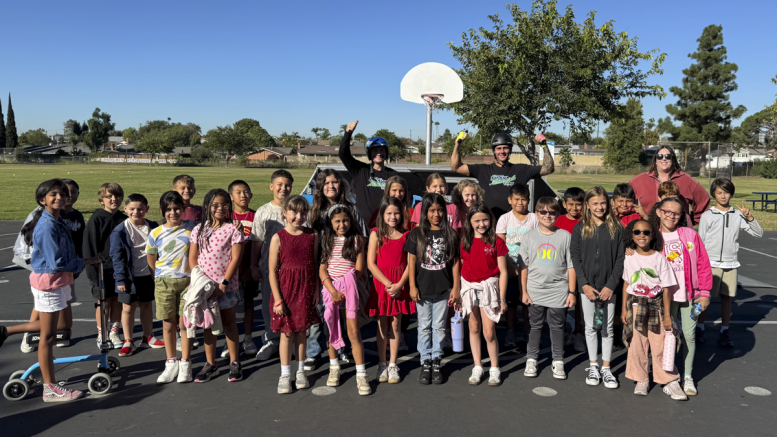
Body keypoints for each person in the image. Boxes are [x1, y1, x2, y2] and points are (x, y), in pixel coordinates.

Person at [0, 179, 101, 402]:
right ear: (42, 199)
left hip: (58, 281)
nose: (59, 198)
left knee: (60, 327)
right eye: (53, 194)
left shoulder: (56, 220)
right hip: (49, 282)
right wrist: (87, 261)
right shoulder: (47, 225)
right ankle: (50, 388)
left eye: (62, 194)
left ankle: (6, 331)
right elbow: (56, 262)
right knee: (48, 336)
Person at [645, 197, 712, 396]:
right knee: (667, 336)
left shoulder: (690, 235)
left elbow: (703, 264)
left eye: (676, 213)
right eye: (667, 211)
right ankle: (670, 375)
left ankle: (688, 375)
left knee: (689, 335)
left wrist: (705, 293)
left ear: (682, 215)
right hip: (664, 297)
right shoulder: (652, 236)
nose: (671, 216)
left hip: (689, 296)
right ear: (659, 211)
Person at [307, 168, 367, 369]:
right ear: (320, 186)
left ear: (341, 185)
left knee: (344, 313)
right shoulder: (314, 211)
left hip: (346, 269)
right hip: (321, 267)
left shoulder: (352, 209)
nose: (331, 186)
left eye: (334, 182)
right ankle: (314, 352)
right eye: (326, 183)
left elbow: (361, 237)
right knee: (321, 310)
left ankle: (342, 350)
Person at [620, 219, 686, 400]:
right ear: (631, 235)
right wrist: (624, 309)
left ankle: (670, 380)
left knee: (660, 344)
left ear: (652, 235)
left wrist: (667, 315)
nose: (641, 236)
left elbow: (666, 289)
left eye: (646, 232)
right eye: (637, 232)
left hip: (656, 307)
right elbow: (626, 283)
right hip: (636, 306)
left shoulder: (660, 259)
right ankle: (641, 378)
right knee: (637, 344)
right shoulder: (629, 257)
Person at [697, 178, 763, 348]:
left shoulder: (738, 215)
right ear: (713, 194)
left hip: (730, 264)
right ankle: (699, 327)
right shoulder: (707, 216)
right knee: (705, 298)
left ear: (731, 193)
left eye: (726, 192)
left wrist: (750, 217)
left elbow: (758, 234)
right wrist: (700, 265)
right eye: (719, 192)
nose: (723, 196)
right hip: (711, 264)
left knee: (727, 299)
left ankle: (724, 330)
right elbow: (701, 241)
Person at [570, 186, 624, 389]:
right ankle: (593, 365)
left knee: (607, 328)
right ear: (588, 205)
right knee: (591, 327)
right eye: (595, 203)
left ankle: (606, 368)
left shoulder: (616, 228)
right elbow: (575, 258)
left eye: (603, 203)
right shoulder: (580, 228)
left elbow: (620, 259)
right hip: (588, 289)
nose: (599, 207)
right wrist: (583, 284)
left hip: (609, 288)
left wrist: (611, 285)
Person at [190, 189, 246, 383]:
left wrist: (224, 283)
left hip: (226, 287)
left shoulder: (233, 229)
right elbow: (193, 258)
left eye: (224, 205)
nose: (220, 208)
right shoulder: (199, 230)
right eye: (215, 205)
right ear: (207, 206)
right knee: (208, 325)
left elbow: (236, 258)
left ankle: (234, 362)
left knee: (229, 323)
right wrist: (200, 281)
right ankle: (210, 363)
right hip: (205, 288)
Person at [405, 194, 461, 385]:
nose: (436, 214)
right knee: (423, 326)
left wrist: (456, 287)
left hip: (443, 289)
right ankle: (425, 361)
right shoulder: (416, 234)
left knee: (439, 326)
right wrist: (412, 286)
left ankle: (436, 360)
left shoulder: (451, 234)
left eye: (439, 210)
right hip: (422, 289)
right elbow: (411, 261)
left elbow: (455, 263)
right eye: (432, 211)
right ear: (425, 212)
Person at [267, 195, 320, 394]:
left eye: (303, 213)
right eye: (294, 212)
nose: (299, 216)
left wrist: (316, 290)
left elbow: (315, 264)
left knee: (302, 332)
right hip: (285, 291)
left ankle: (300, 371)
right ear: (285, 213)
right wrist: (277, 299)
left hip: (305, 289)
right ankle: (284, 374)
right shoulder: (278, 238)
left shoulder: (312, 236)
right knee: (287, 333)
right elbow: (272, 271)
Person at [519, 197, 576, 380]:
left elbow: (571, 266)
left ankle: (558, 361)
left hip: (558, 291)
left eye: (552, 212)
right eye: (543, 211)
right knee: (535, 326)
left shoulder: (565, 236)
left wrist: (572, 292)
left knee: (557, 327)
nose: (547, 215)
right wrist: (523, 291)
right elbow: (523, 266)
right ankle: (531, 359)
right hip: (535, 290)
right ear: (536, 214)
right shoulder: (529, 236)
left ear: (557, 214)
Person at [147, 191, 198, 383]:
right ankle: (171, 362)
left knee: (185, 324)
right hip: (164, 282)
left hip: (188, 282)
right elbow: (151, 258)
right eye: (168, 209)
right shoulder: (155, 233)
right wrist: (159, 276)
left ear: (183, 209)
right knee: (168, 324)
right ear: (162, 211)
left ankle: (185, 362)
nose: (173, 212)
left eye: (177, 208)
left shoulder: (193, 228)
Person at [319, 204, 370, 395]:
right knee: (331, 329)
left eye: (345, 220)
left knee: (353, 331)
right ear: (331, 223)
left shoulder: (357, 240)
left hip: (350, 291)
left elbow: (359, 269)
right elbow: (322, 269)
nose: (342, 224)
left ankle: (361, 374)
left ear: (351, 221)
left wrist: (345, 285)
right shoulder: (327, 241)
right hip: (331, 291)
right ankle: (334, 367)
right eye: (338, 221)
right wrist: (333, 290)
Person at [366, 197, 415, 384]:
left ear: (402, 214)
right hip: (382, 285)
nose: (393, 217)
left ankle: (393, 364)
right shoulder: (376, 234)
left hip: (399, 285)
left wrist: (400, 284)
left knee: (396, 325)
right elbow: (371, 263)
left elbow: (410, 263)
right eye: (389, 213)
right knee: (382, 326)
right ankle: (382, 363)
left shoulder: (407, 235)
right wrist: (388, 284)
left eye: (396, 213)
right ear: (382, 214)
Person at [459, 202, 508, 386]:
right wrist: (458, 292)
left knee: (489, 332)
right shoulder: (464, 241)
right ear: (469, 221)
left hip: (489, 290)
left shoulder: (497, 242)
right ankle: (477, 366)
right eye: (477, 221)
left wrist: (502, 298)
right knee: (473, 328)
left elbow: (503, 271)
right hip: (470, 289)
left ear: (491, 220)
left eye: (485, 220)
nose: (481, 224)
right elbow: (461, 267)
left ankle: (494, 368)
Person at [451, 132, 555, 219]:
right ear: (494, 151)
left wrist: (544, 145)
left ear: (510, 150)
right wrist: (457, 144)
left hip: (513, 223)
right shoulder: (483, 170)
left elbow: (548, 169)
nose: (502, 151)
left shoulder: (521, 169)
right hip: (488, 222)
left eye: (505, 148)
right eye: (499, 148)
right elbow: (456, 167)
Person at [110, 194, 163, 357]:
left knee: (147, 306)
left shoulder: (153, 227)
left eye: (140, 209)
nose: (136, 212)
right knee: (128, 308)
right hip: (129, 277)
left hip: (148, 275)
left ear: (147, 209)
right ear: (125, 209)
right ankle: (128, 341)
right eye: (132, 209)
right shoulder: (120, 231)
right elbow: (117, 257)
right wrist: (120, 279)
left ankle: (148, 337)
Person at [250, 170, 294, 361]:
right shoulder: (263, 211)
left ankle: (291, 339)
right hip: (269, 269)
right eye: (279, 184)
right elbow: (257, 240)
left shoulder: (297, 208)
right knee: (270, 306)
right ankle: (272, 339)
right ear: (271, 186)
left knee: (293, 305)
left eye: (287, 185)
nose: (283, 188)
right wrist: (254, 265)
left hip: (293, 269)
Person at [83, 182, 128, 349]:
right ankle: (102, 333)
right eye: (109, 196)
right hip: (102, 269)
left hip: (120, 269)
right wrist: (92, 271)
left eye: (117, 196)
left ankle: (114, 331)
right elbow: (90, 246)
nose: (114, 199)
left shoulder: (124, 219)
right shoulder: (97, 219)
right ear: (102, 200)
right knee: (104, 302)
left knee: (118, 300)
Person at [496, 184, 538, 347]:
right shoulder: (504, 219)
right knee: (511, 303)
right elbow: (500, 246)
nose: (520, 202)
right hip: (510, 268)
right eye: (517, 199)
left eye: (524, 199)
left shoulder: (534, 218)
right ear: (510, 200)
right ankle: (511, 331)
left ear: (529, 200)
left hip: (530, 269)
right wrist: (510, 267)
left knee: (528, 302)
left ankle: (529, 332)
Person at [630, 146, 709, 226]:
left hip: (678, 230)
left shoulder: (686, 180)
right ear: (655, 160)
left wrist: (689, 221)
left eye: (667, 156)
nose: (664, 159)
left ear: (673, 159)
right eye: (660, 156)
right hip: (648, 230)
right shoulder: (640, 180)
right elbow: (625, 198)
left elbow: (703, 199)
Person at [338, 120, 399, 221]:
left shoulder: (393, 174)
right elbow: (343, 154)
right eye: (375, 150)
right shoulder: (360, 170)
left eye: (381, 150)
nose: (379, 153)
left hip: (386, 223)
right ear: (369, 154)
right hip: (363, 225)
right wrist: (348, 133)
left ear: (386, 153)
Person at [226, 180, 259, 358]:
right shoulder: (225, 217)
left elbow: (258, 244)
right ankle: (230, 341)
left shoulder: (256, 216)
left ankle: (248, 338)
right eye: (238, 192)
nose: (243, 195)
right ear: (231, 197)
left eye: (246, 192)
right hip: (229, 271)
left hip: (248, 270)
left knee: (248, 303)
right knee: (228, 307)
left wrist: (252, 267)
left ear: (251, 195)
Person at [554, 187, 585, 351]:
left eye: (578, 204)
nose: (574, 208)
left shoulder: (586, 221)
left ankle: (578, 333)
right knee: (563, 302)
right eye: (571, 204)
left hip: (582, 268)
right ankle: (563, 331)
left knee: (580, 303)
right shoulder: (558, 221)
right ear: (564, 204)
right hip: (563, 269)